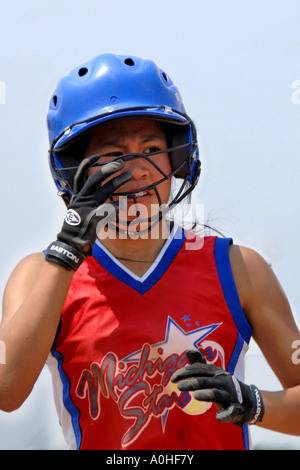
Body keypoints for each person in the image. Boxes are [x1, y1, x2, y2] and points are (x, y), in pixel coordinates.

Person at [0, 53, 300, 451]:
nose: (138, 169)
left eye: (152, 147)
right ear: (74, 170)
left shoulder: (238, 267)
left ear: (177, 156)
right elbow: (7, 391)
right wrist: (67, 252)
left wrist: (252, 402)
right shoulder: (41, 273)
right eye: (113, 155)